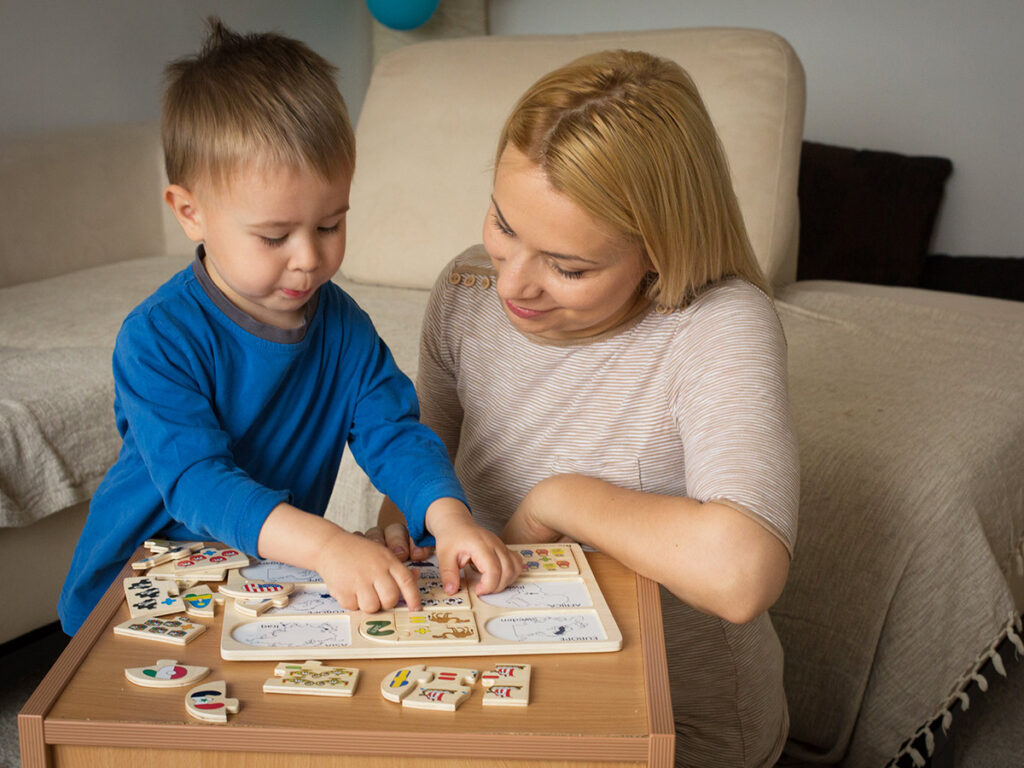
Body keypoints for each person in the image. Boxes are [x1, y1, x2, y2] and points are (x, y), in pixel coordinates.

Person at [374, 50, 799, 767]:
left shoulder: (719, 324)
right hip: (492, 680)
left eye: (567, 267)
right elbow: (421, 453)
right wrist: (401, 527)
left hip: (674, 723)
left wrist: (560, 502)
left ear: (658, 253)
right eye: (505, 225)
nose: (514, 284)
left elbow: (743, 574)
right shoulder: (466, 291)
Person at [57, 19, 519, 637]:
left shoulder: (345, 328)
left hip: (267, 582)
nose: (308, 258)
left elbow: (396, 435)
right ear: (190, 213)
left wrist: (449, 517)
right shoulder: (157, 338)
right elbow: (198, 482)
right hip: (142, 587)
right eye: (275, 236)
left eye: (329, 225)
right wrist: (327, 544)